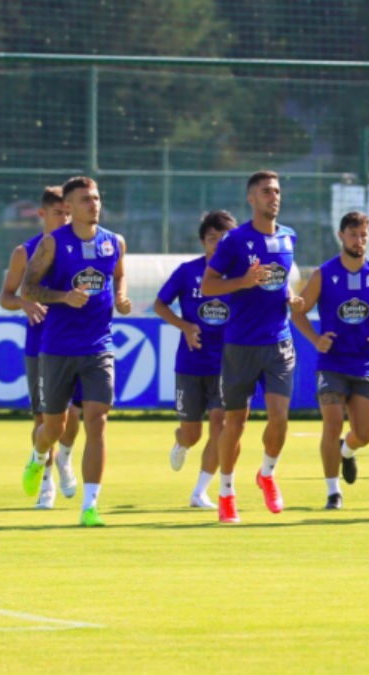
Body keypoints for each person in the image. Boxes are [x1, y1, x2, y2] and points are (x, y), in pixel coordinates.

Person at [20, 176, 131, 527]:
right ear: (68, 207)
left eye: (97, 198)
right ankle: (39, 457)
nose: (94, 204)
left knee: (97, 423)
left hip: (99, 347)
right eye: (85, 199)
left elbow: (119, 277)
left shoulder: (114, 242)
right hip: (57, 349)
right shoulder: (53, 244)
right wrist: (63, 297)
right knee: (53, 426)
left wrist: (123, 297)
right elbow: (27, 288)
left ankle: (90, 505)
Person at [201, 170, 305, 523]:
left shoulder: (289, 237)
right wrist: (243, 281)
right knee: (236, 423)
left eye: (276, 191)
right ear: (251, 198)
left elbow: (286, 280)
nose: (273, 197)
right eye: (265, 192)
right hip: (241, 345)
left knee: (279, 420)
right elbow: (209, 286)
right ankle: (226, 492)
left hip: (279, 342)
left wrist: (292, 296)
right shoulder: (234, 241)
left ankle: (267, 474)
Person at [292, 211, 369, 509]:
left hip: (363, 364)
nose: (359, 240)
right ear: (341, 236)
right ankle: (332, 492)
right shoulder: (324, 274)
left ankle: (347, 452)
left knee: (364, 434)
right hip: (332, 364)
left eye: (363, 235)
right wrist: (316, 340)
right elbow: (298, 312)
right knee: (333, 423)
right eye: (353, 234)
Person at [0, 186, 83, 508]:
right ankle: (46, 483)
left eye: (68, 212)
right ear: (43, 214)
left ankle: (65, 458)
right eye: (59, 212)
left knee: (74, 415)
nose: (65, 217)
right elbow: (6, 295)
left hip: (76, 342)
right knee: (44, 419)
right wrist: (22, 302)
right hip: (40, 346)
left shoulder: (81, 248)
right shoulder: (25, 251)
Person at [154, 210, 237, 509]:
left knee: (221, 424)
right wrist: (185, 326)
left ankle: (200, 491)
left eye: (224, 239)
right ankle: (181, 442)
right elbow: (159, 304)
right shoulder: (187, 272)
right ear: (203, 242)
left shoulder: (242, 276)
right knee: (192, 432)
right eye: (212, 239)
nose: (217, 245)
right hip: (190, 364)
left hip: (227, 366)